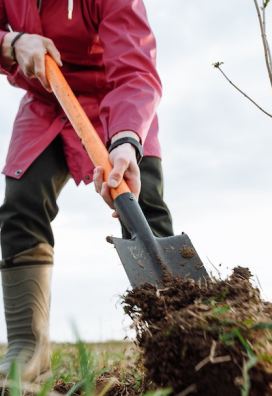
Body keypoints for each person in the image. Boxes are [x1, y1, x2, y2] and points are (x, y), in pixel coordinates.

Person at [0, 0, 173, 381]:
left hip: (116, 100)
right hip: (47, 100)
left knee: (143, 208)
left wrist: (127, 140)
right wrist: (11, 43)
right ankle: (28, 351)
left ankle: (174, 341)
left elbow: (134, 70)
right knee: (21, 204)